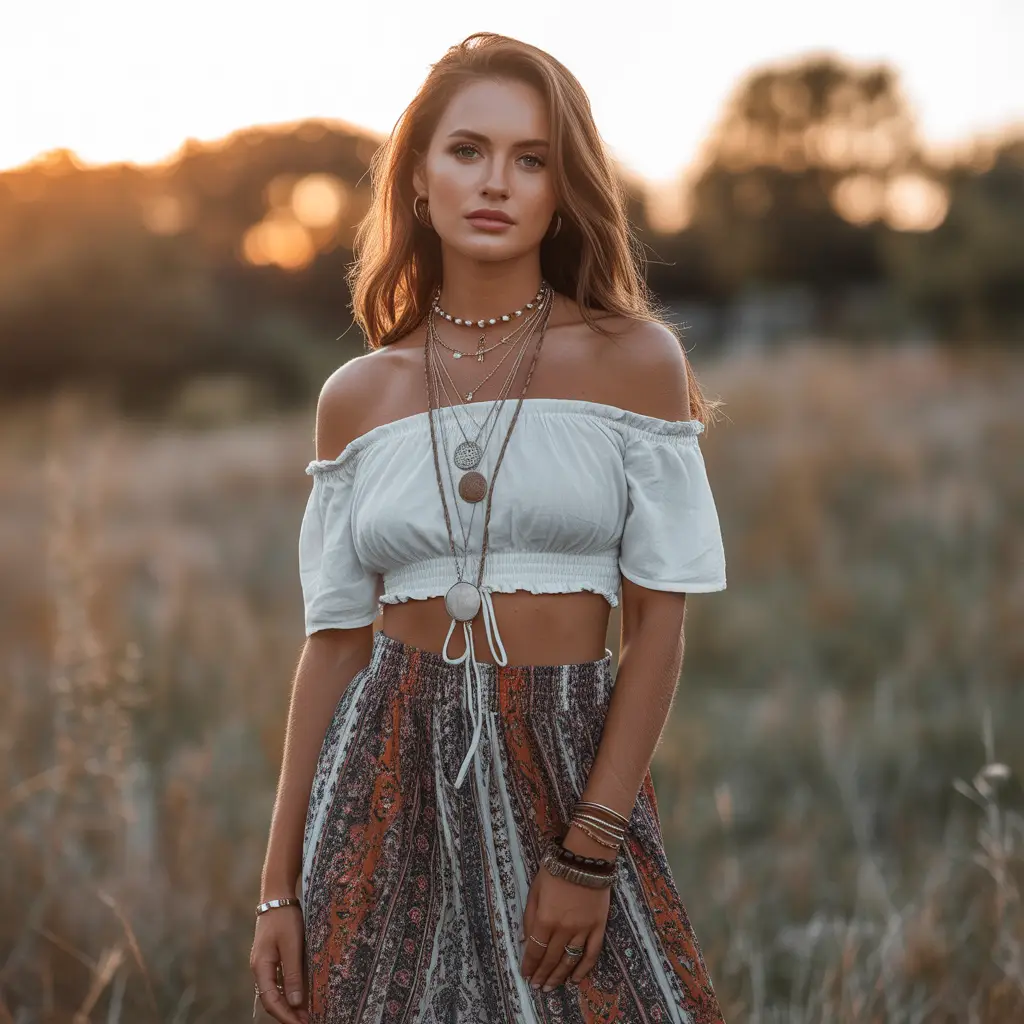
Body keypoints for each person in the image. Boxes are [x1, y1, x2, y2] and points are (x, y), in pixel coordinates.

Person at [250, 31, 728, 1024]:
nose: (495, 182)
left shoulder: (633, 360)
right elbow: (334, 645)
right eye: (467, 151)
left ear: (564, 188)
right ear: (418, 180)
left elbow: (658, 627)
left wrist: (591, 843)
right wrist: (278, 887)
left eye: (531, 158)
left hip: (564, 752)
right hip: (383, 762)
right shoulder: (356, 395)